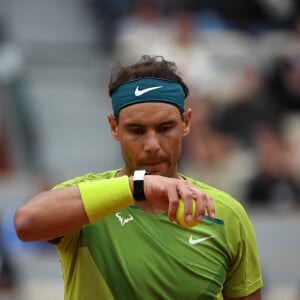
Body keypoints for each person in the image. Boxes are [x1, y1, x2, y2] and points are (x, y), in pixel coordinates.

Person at [14, 55, 263, 299]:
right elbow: (26, 223)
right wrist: (139, 186)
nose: (152, 144)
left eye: (165, 128)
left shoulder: (226, 214)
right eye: (136, 130)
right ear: (114, 128)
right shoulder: (87, 199)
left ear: (186, 123)